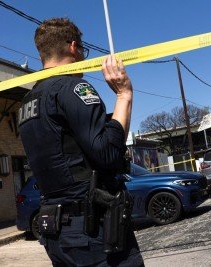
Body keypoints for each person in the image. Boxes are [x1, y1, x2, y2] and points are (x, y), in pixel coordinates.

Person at [18, 18, 144, 266]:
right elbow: (107, 153)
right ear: (74, 47)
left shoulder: (27, 102)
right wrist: (123, 95)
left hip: (54, 230)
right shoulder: (74, 88)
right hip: (92, 231)